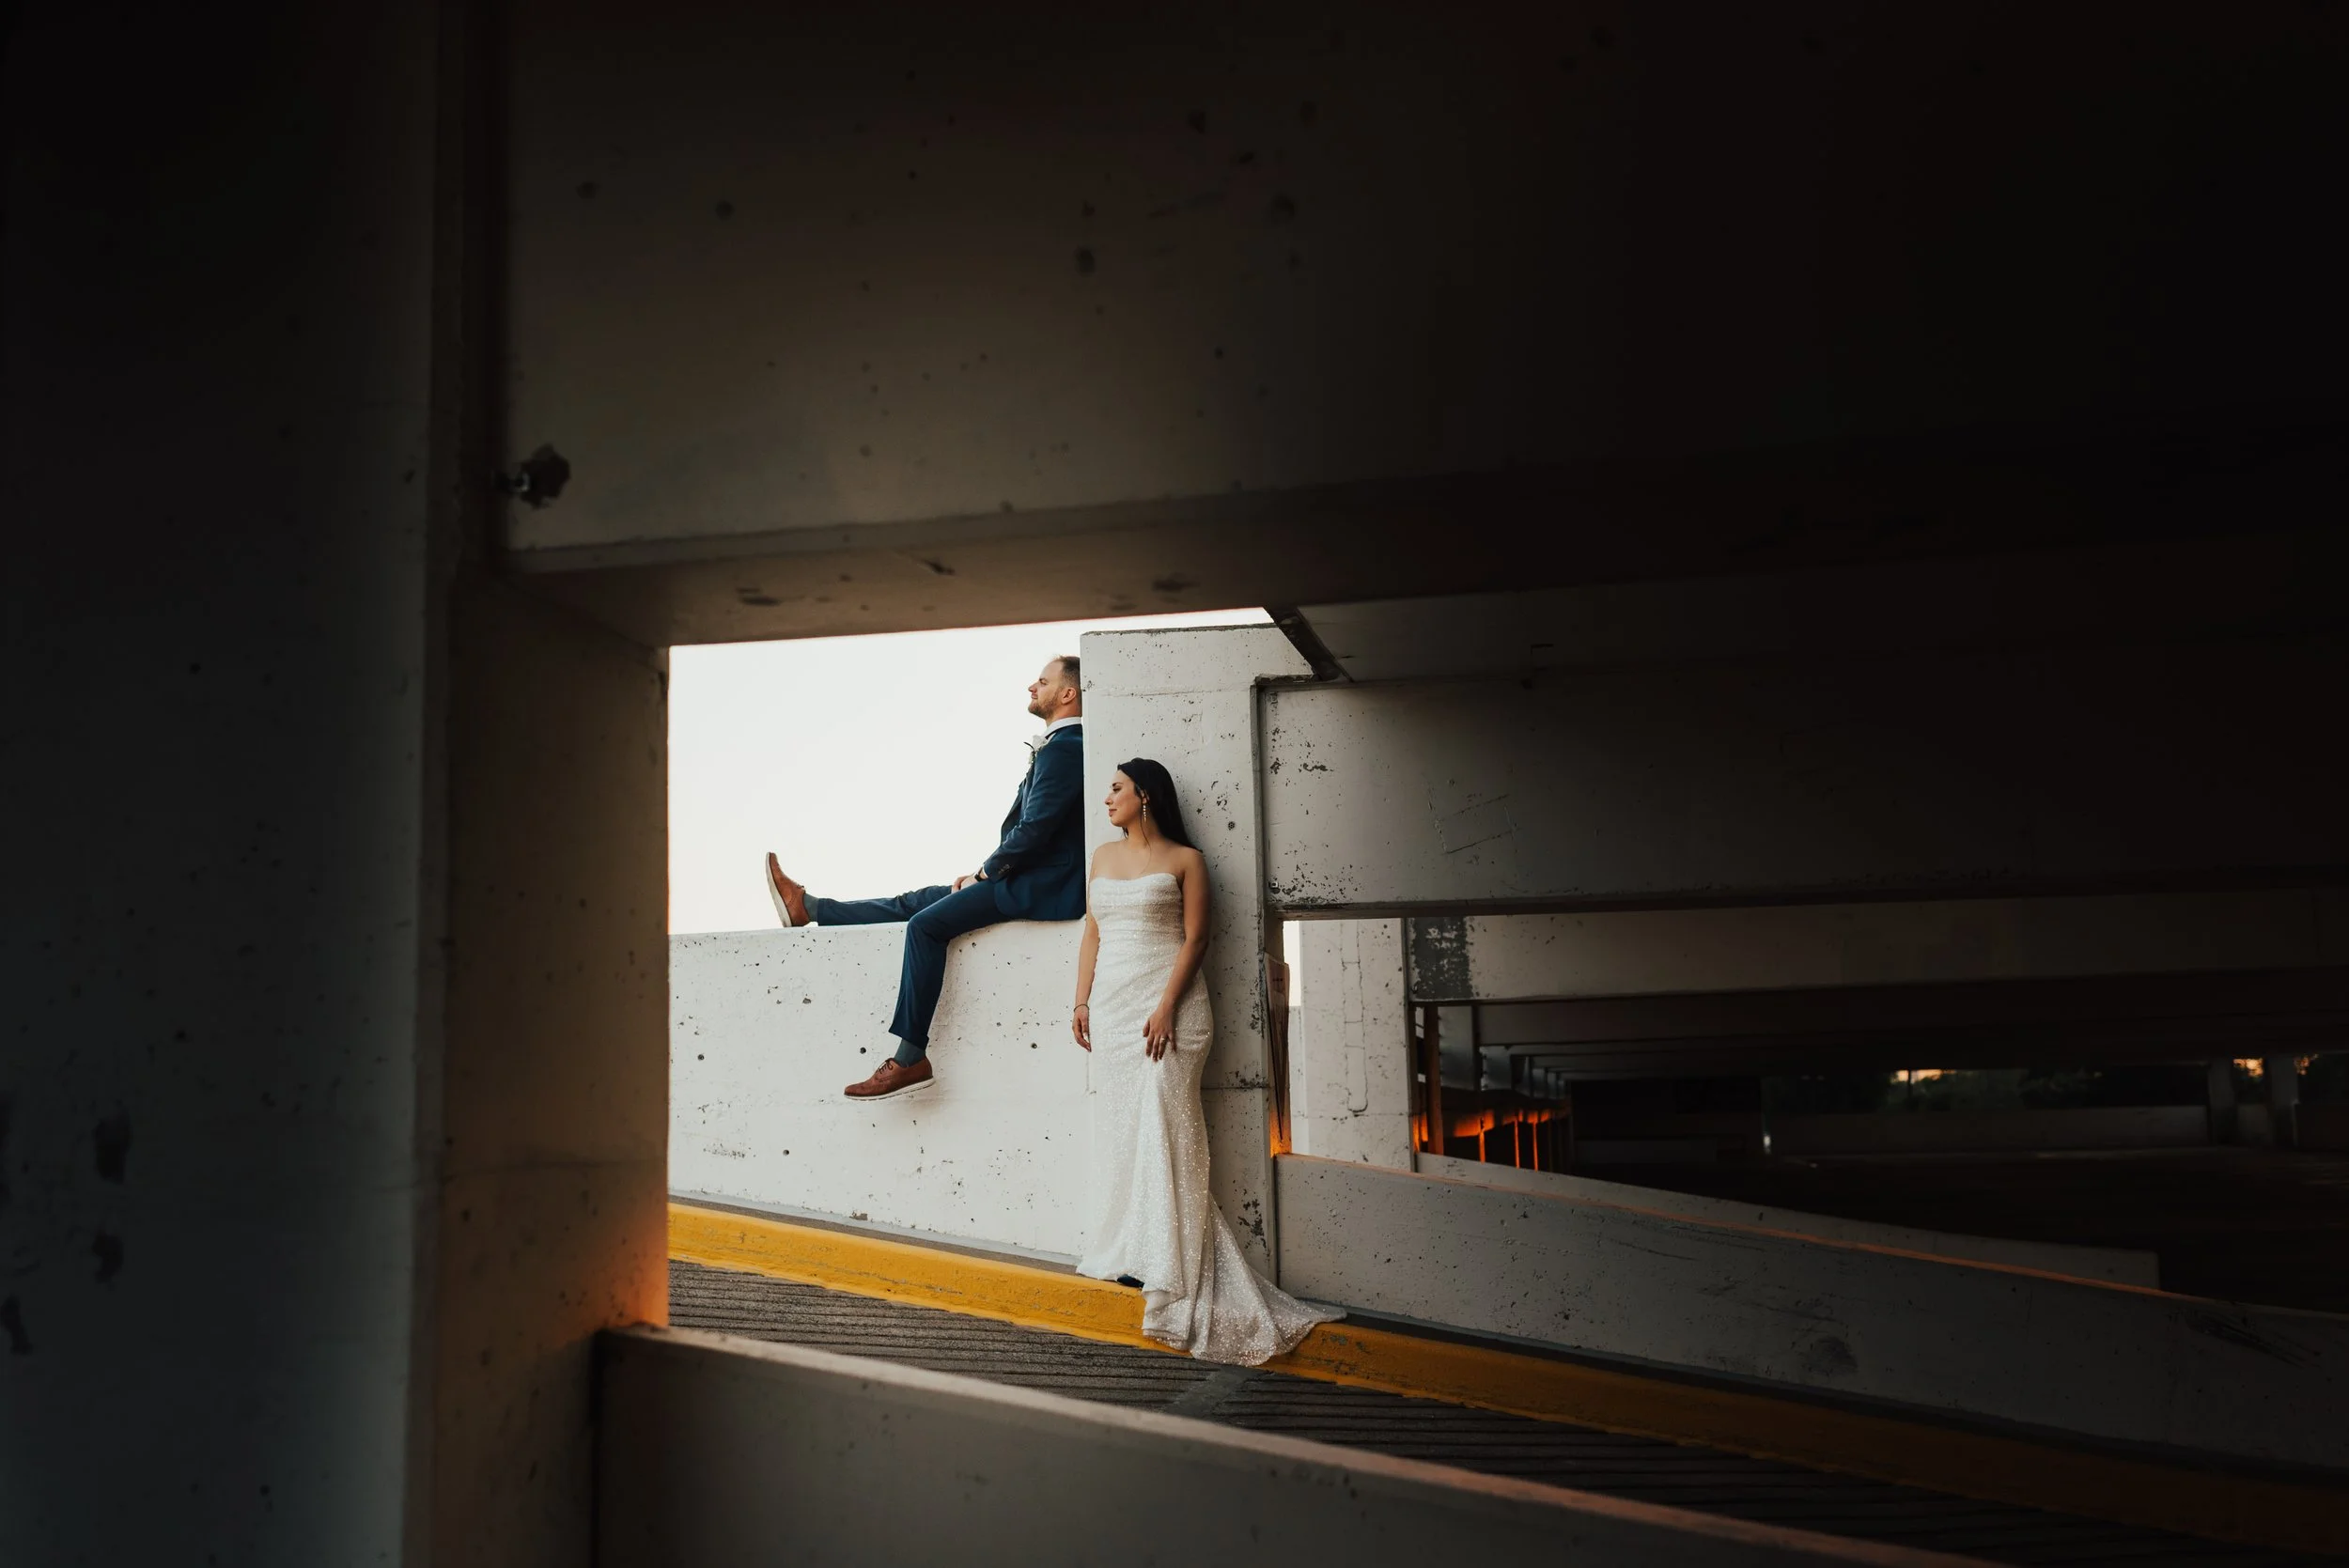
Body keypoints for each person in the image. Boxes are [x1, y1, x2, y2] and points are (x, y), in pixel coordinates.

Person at [1070, 757, 1343, 1364]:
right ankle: (1131, 1253)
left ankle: (1169, 1268)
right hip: (1113, 1014)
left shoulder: (1186, 861)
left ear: (1145, 795)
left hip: (1171, 1012)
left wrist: (1166, 1007)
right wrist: (1081, 999)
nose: (1106, 798)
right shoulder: (1103, 859)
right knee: (1125, 1132)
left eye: (1115, 788)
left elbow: (1196, 939)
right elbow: (1092, 931)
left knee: (1166, 1127)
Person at [766, 656, 1087, 1099]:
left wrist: (984, 874)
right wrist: (980, 875)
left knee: (925, 926)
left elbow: (1034, 831)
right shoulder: (1060, 746)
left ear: (1068, 694)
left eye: (1043, 681)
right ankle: (810, 908)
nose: (1032, 687)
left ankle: (910, 1056)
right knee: (920, 900)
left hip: (1041, 886)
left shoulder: (1068, 747)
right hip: (1023, 876)